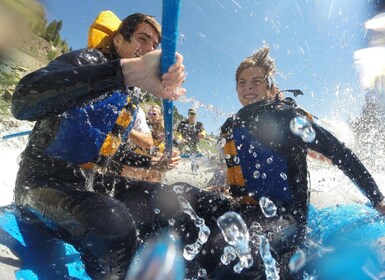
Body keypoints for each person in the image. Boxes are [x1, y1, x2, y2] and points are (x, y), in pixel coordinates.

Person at [11, 12, 185, 279]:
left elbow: (105, 149)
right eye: (142, 39)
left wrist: (153, 162)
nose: (149, 49)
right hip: (39, 185)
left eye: (154, 45)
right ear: (118, 39)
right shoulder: (88, 61)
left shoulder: (128, 95)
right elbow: (23, 99)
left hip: (88, 183)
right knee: (116, 227)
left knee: (175, 201)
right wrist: (127, 71)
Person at [216, 45, 385, 276]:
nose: (248, 88)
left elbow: (340, 153)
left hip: (287, 218)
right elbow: (236, 173)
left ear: (269, 87)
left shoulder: (287, 118)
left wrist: (377, 198)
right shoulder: (231, 126)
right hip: (245, 209)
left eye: (256, 81)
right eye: (242, 83)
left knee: (242, 253)